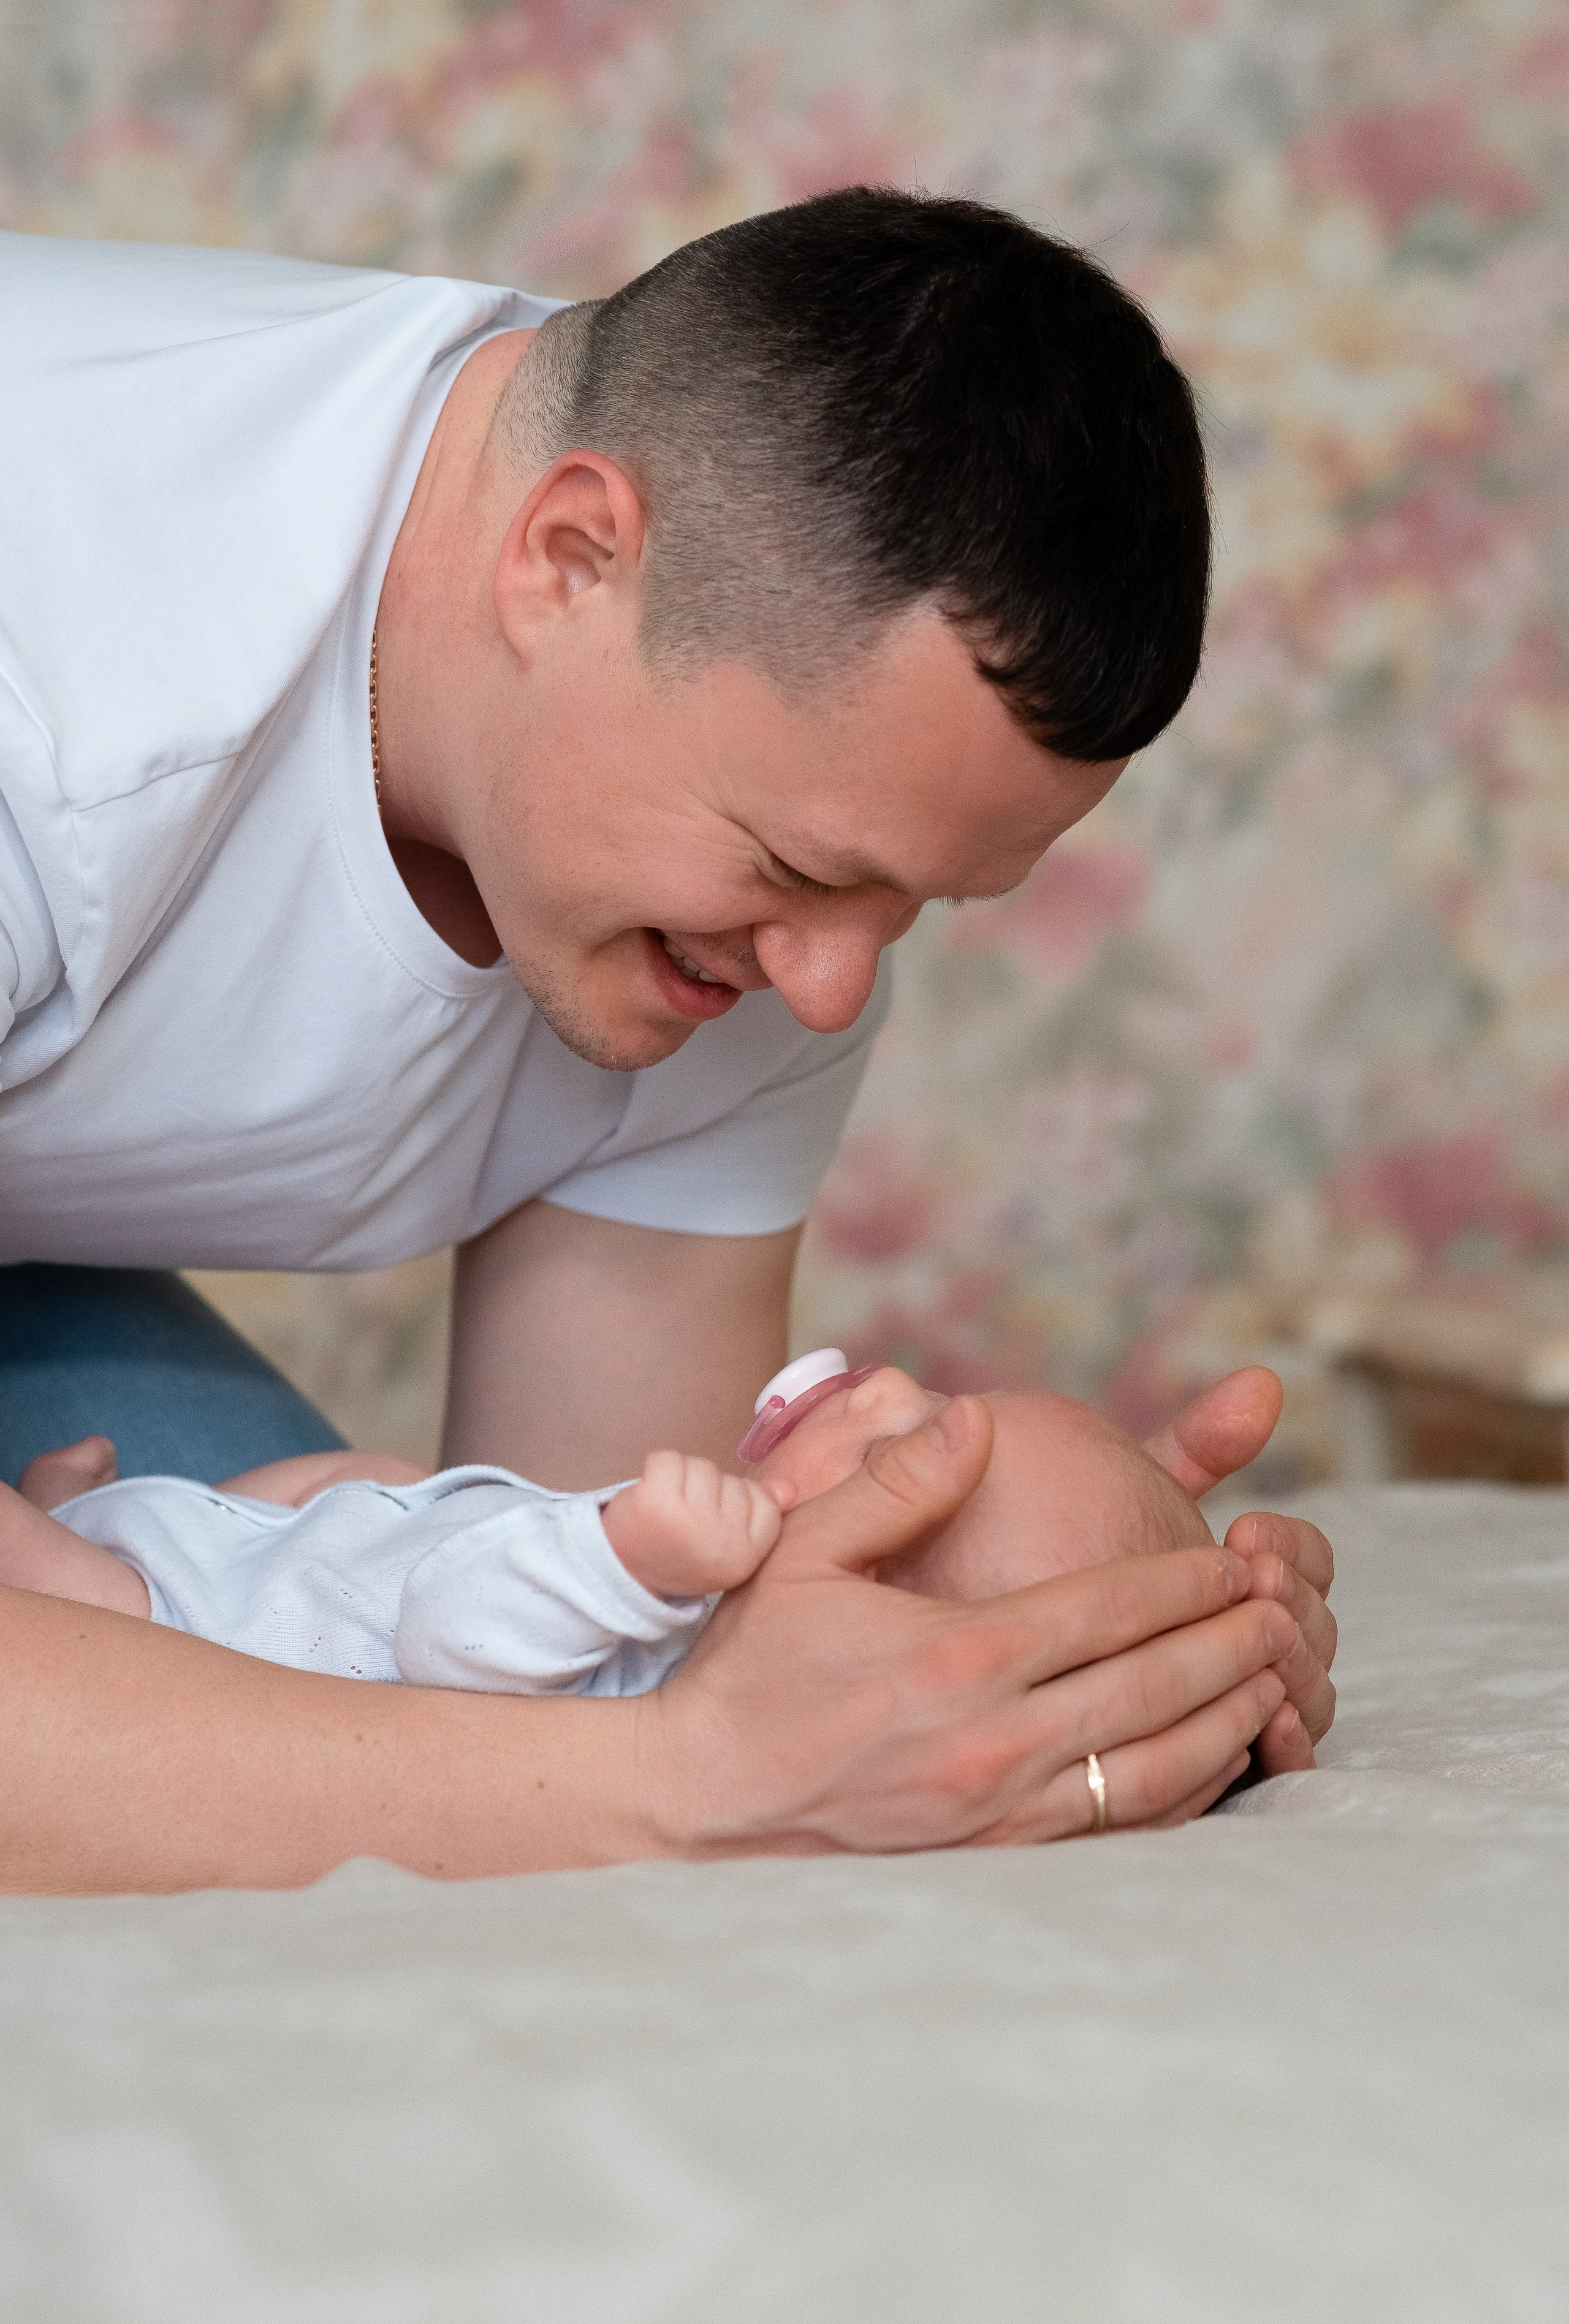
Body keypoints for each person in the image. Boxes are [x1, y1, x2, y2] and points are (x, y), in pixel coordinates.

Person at [0, 189, 1335, 1890]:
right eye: (802, 868)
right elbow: (660, 1756)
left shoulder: (746, 942)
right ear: (567, 557)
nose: (832, 992)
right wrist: (688, 1787)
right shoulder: (67, 704)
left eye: (917, 904)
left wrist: (1054, 1601)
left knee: (265, 1610)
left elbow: (604, 1605)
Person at [6, 1349, 1234, 1705]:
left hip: (195, 1627)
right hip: (327, 1544)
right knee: (373, 1477)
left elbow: (446, 1635)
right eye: (946, 1396)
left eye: (895, 1452)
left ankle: (61, 1532)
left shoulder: (656, 1673)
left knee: (75, 1590)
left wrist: (626, 1562)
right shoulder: (703, 1615)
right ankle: (82, 1508)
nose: (888, 1383)